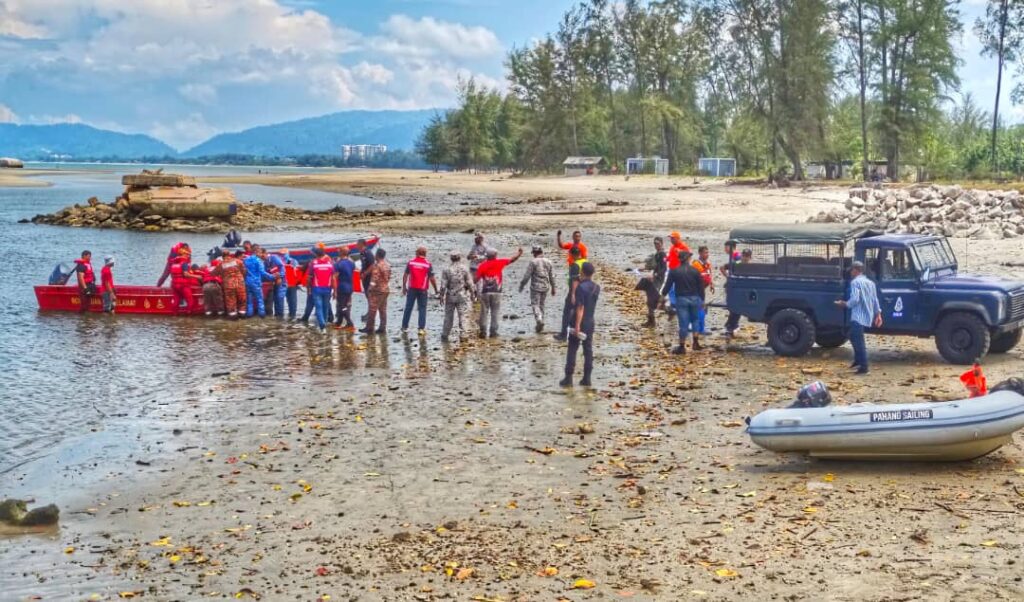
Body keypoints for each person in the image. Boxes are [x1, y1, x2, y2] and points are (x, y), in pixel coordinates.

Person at [836, 260, 883, 375]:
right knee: (852, 336)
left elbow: (855, 299)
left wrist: (844, 304)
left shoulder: (855, 283)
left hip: (857, 316)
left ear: (856, 270)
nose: (851, 272)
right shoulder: (870, 283)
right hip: (867, 315)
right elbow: (875, 300)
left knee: (859, 341)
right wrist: (878, 314)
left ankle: (864, 367)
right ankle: (857, 360)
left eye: (852, 270)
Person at [560, 262, 600, 388]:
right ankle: (587, 379)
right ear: (592, 273)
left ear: (582, 272)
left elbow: (580, 307)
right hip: (590, 321)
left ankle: (568, 378)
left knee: (572, 348)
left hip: (579, 321)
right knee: (588, 350)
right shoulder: (596, 287)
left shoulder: (581, 288)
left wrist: (577, 326)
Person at [661, 250, 704, 354]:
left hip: (681, 299)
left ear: (679, 259)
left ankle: (682, 346)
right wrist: (702, 300)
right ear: (688, 259)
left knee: (683, 324)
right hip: (695, 298)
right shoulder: (695, 271)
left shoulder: (674, 271)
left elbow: (667, 286)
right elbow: (701, 287)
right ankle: (696, 343)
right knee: (695, 320)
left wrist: (662, 297)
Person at [473, 247, 523, 338]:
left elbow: (475, 280)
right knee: (495, 312)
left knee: (484, 312)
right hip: (497, 292)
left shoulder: (482, 265)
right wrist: (519, 253)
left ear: (486, 256)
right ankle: (493, 332)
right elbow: (512, 259)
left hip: (485, 292)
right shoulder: (500, 262)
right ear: (495, 255)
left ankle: (483, 331)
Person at [401, 246, 439, 335]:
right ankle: (421, 329)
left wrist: (404, 287)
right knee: (422, 309)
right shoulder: (428, 264)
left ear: (417, 253)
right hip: (422, 290)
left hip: (412, 289)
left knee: (408, 308)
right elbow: (432, 278)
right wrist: (436, 290)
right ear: (425, 254)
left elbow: (405, 275)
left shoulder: (411, 263)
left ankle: (404, 326)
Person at [519, 245, 556, 333]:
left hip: (535, 287)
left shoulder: (533, 262)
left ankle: (539, 320)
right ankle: (541, 324)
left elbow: (527, 275)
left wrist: (522, 285)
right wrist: (553, 287)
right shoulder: (549, 262)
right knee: (542, 305)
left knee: (535, 304)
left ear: (534, 253)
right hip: (545, 286)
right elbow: (552, 276)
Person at [555, 245, 589, 341]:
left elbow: (574, 280)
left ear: (572, 254)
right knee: (580, 312)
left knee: (567, 312)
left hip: (576, 291)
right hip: (586, 290)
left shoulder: (575, 265)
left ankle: (563, 334)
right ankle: (580, 332)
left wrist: (573, 294)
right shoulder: (586, 262)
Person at [439, 251, 474, 342]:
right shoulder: (464, 268)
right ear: (460, 258)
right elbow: (470, 283)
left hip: (450, 296)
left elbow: (443, 285)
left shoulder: (446, 269)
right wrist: (473, 294)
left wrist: (441, 296)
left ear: (451, 258)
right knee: (463, 315)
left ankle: (445, 334)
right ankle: (463, 334)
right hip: (462, 295)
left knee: (448, 316)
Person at [637, 237, 668, 327]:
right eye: (655, 243)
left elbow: (664, 268)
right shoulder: (657, 254)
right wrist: (645, 268)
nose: (656, 245)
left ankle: (653, 321)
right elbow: (656, 266)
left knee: (651, 300)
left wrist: (655, 275)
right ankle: (652, 319)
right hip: (655, 278)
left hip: (659, 279)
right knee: (651, 299)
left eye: (658, 243)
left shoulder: (662, 254)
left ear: (662, 244)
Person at [723, 247, 751, 337]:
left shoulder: (752, 266)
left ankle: (731, 325)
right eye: (744, 255)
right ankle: (730, 327)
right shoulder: (735, 264)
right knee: (734, 309)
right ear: (741, 255)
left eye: (747, 256)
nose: (745, 258)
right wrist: (727, 276)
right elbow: (722, 267)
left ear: (750, 257)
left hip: (743, 290)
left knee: (739, 309)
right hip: (734, 289)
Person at [362, 248, 391, 334]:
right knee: (383, 309)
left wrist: (370, 288)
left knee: (372, 309)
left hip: (377, 290)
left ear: (377, 255)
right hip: (385, 289)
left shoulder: (377, 266)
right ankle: (382, 327)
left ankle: (369, 328)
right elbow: (388, 277)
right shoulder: (387, 265)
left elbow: (374, 278)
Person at [307, 248, 335, 333]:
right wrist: (335, 291)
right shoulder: (330, 263)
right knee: (325, 307)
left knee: (318, 307)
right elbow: (333, 278)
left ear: (316, 255)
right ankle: (324, 324)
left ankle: (322, 325)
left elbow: (309, 278)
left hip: (317, 289)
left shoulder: (313, 263)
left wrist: (308, 288)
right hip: (327, 289)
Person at [243, 249, 274, 317]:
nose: (261, 255)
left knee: (249, 301)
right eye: (260, 253)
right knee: (260, 299)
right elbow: (262, 273)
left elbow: (244, 270)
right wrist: (272, 277)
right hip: (256, 282)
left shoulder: (246, 260)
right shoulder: (259, 261)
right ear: (257, 253)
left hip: (248, 281)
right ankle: (262, 316)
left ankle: (249, 315)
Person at [692, 246, 714, 334]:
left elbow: (709, 275)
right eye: (705, 253)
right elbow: (698, 277)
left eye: (708, 252)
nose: (707, 254)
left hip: (703, 288)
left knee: (702, 307)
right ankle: (700, 328)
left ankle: (699, 325)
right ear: (700, 253)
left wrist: (711, 284)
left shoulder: (707, 263)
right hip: (696, 289)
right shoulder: (696, 264)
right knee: (700, 307)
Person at [333, 247, 356, 331]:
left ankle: (350, 323)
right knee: (345, 305)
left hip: (341, 287)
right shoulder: (351, 263)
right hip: (350, 287)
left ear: (341, 253)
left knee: (342, 306)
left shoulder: (338, 264)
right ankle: (339, 322)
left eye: (339, 251)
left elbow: (335, 277)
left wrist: (334, 290)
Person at [355, 238, 376, 321]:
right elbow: (364, 265)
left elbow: (372, 265)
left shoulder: (368, 253)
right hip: (364, 278)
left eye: (357, 244)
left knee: (369, 295)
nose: (356, 246)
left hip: (369, 278)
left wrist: (365, 273)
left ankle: (371, 315)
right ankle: (369, 313)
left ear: (361, 244)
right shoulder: (362, 253)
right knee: (367, 296)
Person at [263, 249, 287, 318]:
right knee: (276, 299)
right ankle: (277, 315)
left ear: (265, 253)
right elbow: (266, 273)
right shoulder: (265, 262)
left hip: (281, 281)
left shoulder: (274, 258)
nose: (262, 257)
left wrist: (279, 276)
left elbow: (282, 267)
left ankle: (280, 316)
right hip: (273, 282)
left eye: (263, 255)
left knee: (279, 298)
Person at [283, 251, 302, 319]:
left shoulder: (282, 261)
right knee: (292, 299)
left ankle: (292, 313)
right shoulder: (294, 261)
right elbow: (298, 271)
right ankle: (292, 313)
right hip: (292, 283)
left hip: (288, 283)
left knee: (290, 298)